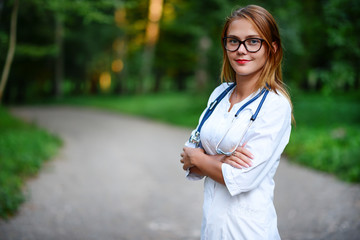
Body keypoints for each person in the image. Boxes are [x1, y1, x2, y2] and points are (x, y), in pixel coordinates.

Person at [180, 5, 294, 240]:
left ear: (272, 48)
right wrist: (220, 160)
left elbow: (242, 178)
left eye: (253, 41)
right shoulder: (219, 94)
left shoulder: (275, 105)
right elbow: (187, 156)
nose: (241, 50)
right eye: (233, 41)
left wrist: (201, 158)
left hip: (248, 231)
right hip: (211, 228)